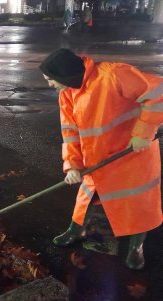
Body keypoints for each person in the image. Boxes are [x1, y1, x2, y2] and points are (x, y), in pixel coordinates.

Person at [40, 48, 163, 270]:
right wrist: (72, 166)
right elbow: (70, 132)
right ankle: (76, 231)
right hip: (96, 160)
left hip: (131, 155)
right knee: (86, 198)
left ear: (65, 74)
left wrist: (143, 134)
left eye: (51, 79)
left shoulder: (113, 75)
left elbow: (157, 92)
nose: (50, 84)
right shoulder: (67, 93)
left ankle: (137, 247)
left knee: (136, 203)